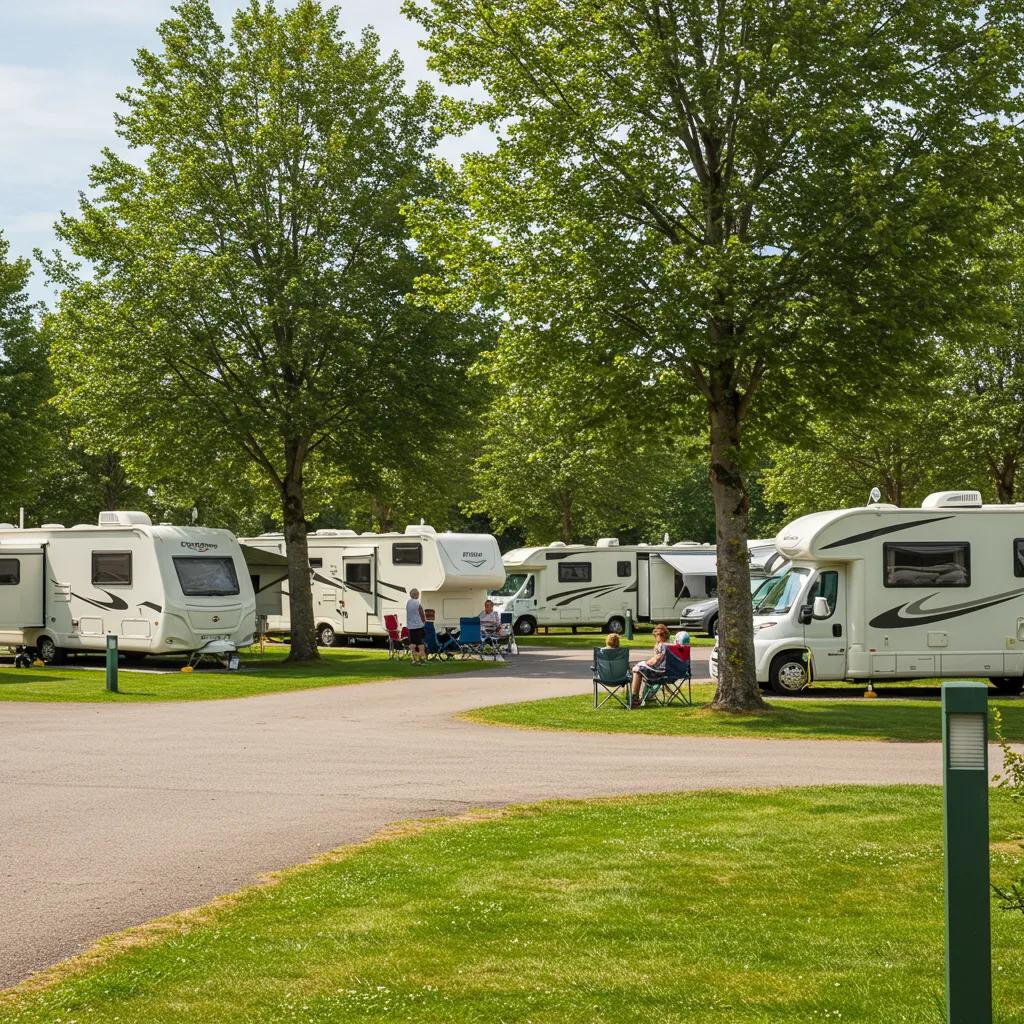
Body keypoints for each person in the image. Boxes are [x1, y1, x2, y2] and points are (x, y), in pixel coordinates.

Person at [631, 623, 670, 705]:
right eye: (657, 634)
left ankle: (635, 699)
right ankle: (645, 697)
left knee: (637, 669)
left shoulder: (662, 646)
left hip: (660, 673)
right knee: (638, 668)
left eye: (661, 634)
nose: (659, 636)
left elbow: (655, 661)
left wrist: (645, 663)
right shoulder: (669, 645)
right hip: (667, 672)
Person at [405, 588, 427, 665]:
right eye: (417, 594)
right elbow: (421, 613)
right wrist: (424, 622)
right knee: (420, 644)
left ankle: (414, 660)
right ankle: (422, 659)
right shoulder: (417, 602)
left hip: (410, 627)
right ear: (416, 594)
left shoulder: (408, 602)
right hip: (418, 626)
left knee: (412, 644)